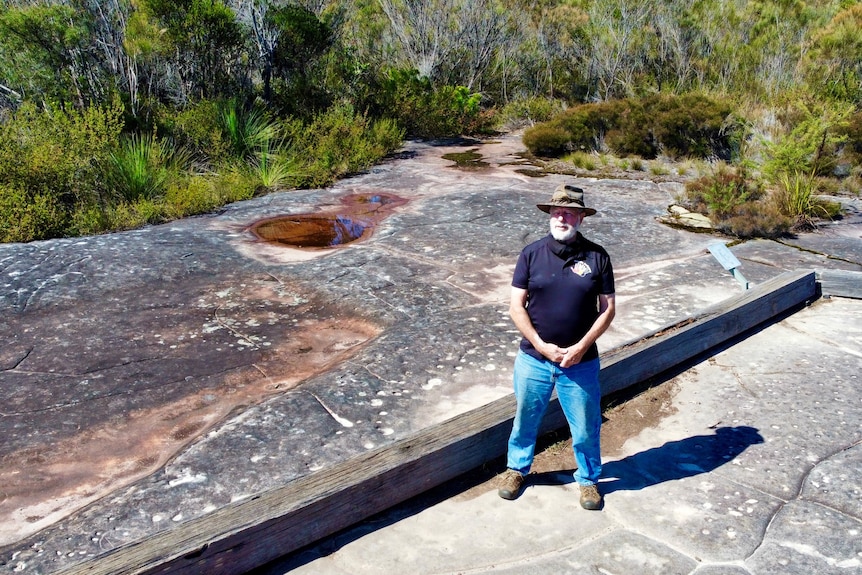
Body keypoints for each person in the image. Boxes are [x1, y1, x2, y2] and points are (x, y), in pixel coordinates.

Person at [498, 183, 616, 510]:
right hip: (534, 359)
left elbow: (608, 309)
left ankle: (589, 480)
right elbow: (515, 306)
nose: (561, 217)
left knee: (586, 425)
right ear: (549, 214)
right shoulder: (531, 254)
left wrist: (580, 347)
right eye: (556, 211)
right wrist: (540, 344)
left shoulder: (597, 256)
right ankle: (516, 469)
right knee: (525, 419)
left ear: (581, 217)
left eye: (569, 212)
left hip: (581, 362)